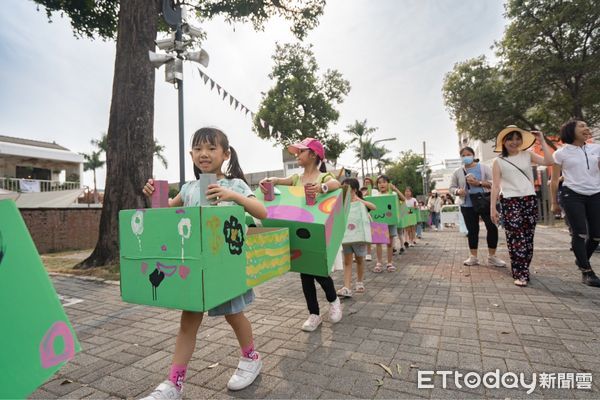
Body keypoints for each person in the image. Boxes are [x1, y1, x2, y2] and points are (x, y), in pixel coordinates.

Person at [140, 127, 268, 399]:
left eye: (211, 148)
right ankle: (174, 383)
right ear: (191, 154)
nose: (204, 154)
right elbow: (164, 214)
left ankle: (251, 358)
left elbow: (262, 212)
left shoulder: (236, 185)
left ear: (226, 153)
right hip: (195, 267)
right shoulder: (188, 189)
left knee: (235, 315)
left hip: (227, 267)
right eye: (198, 149)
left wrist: (234, 197)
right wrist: (155, 196)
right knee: (188, 321)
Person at [259, 138, 342, 332]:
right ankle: (314, 314)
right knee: (305, 274)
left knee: (320, 272)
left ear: (313, 155)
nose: (297, 155)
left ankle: (334, 300)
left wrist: (321, 188)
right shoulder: (296, 179)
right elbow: (281, 181)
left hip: (316, 231)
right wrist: (271, 180)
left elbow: (336, 184)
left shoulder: (323, 177)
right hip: (299, 228)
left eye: (301, 152)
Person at [490, 125, 553, 287]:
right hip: (510, 201)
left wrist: (541, 140)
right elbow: (496, 186)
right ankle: (520, 273)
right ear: (504, 141)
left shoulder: (527, 155)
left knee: (527, 238)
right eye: (510, 138)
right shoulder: (498, 161)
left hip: (529, 200)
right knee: (515, 237)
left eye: (517, 138)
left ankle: (523, 268)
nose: (514, 142)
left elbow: (548, 161)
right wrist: (493, 208)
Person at [550, 120, 600, 287]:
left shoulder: (596, 148)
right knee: (580, 233)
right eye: (581, 126)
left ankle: (581, 259)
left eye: (586, 126)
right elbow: (554, 180)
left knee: (596, 234)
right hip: (572, 195)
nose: (586, 128)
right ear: (571, 131)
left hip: (595, 194)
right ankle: (587, 272)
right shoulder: (561, 153)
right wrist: (554, 202)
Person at [449, 146, 505, 267]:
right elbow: (451, 188)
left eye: (468, 154)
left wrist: (479, 183)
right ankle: (473, 257)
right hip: (467, 204)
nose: (466, 157)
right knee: (472, 230)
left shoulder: (484, 168)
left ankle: (492, 256)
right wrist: (458, 191)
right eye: (463, 155)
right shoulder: (457, 172)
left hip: (486, 202)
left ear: (473, 155)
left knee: (492, 227)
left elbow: (495, 183)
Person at [337, 178, 376, 297]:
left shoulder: (360, 201)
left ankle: (359, 282)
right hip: (346, 237)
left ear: (354, 190)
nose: (344, 190)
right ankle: (347, 287)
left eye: (346, 187)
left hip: (359, 237)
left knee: (359, 260)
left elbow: (373, 207)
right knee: (347, 262)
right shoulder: (342, 202)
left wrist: (359, 200)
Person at [373, 175, 405, 272]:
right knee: (378, 242)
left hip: (391, 222)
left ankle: (389, 263)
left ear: (388, 183)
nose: (381, 184)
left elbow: (403, 199)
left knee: (390, 243)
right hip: (379, 221)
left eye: (384, 182)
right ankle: (379, 263)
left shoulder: (393, 193)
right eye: (379, 182)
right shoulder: (375, 195)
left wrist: (395, 188)